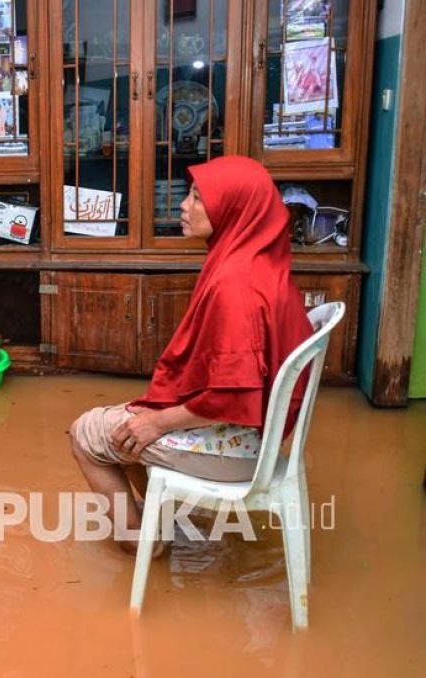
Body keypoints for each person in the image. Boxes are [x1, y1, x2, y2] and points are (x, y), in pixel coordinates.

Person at [69, 155, 314, 554]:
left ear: (233, 209)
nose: (184, 205)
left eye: (199, 198)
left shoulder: (236, 285)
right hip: (257, 435)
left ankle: (141, 544)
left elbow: (235, 394)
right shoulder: (257, 262)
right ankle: (157, 523)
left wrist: (158, 422)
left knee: (86, 433)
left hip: (240, 447)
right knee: (127, 423)